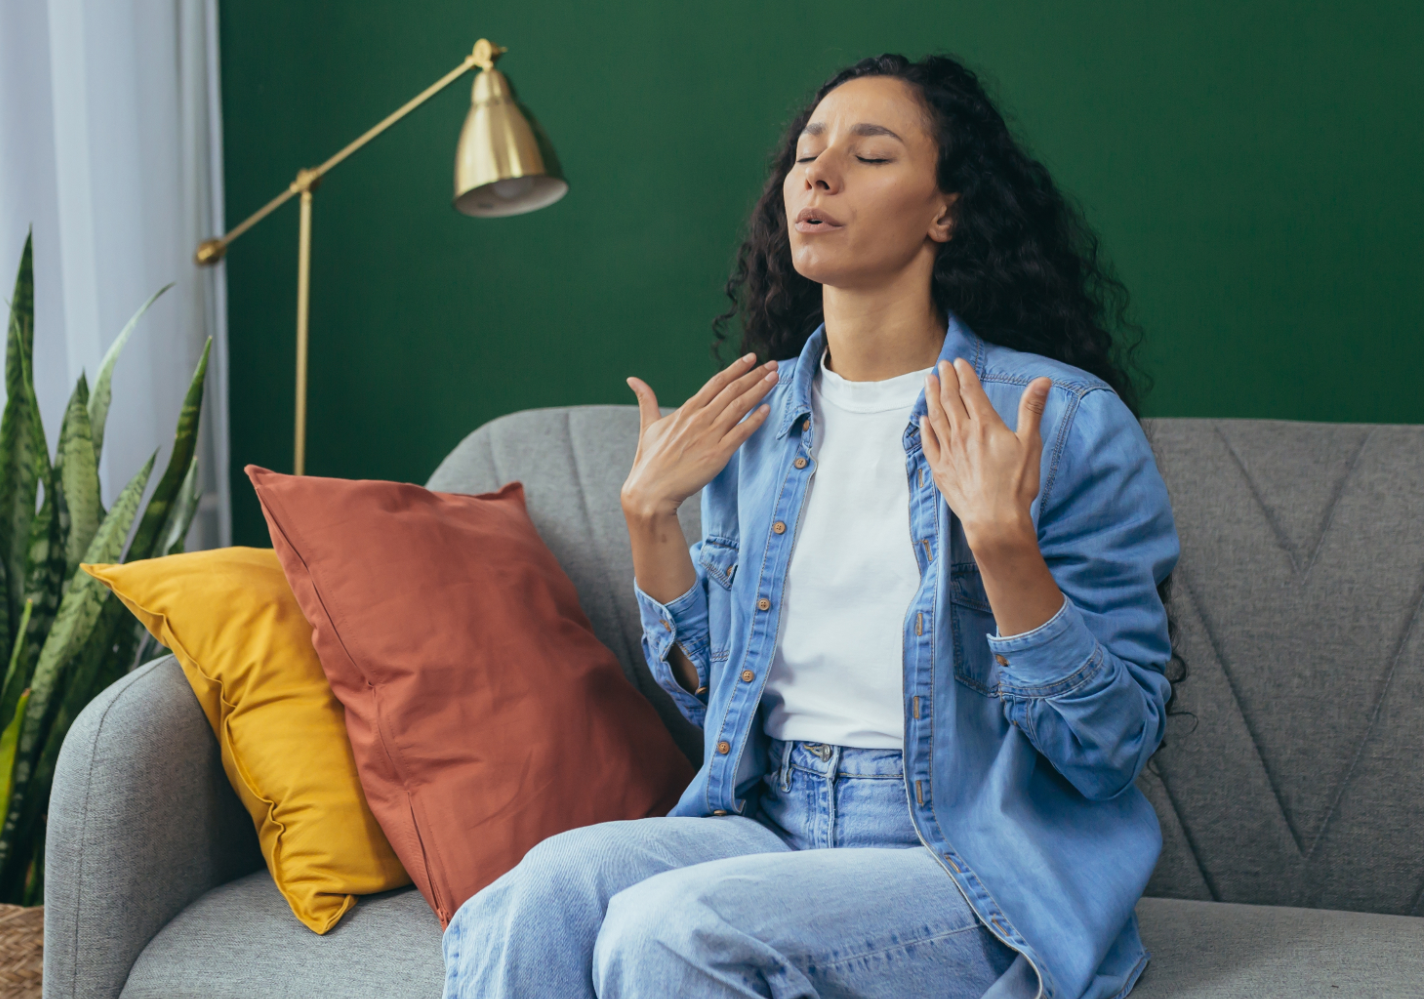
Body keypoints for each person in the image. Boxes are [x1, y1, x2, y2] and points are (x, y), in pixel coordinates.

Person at [441, 53, 1180, 1000]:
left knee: (671, 932)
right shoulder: (758, 420)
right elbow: (720, 713)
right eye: (805, 153)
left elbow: (1109, 747)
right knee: (534, 897)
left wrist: (1002, 545)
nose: (818, 175)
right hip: (773, 819)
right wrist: (649, 517)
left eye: (869, 156)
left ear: (945, 211)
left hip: (968, 855)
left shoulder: (1059, 420)